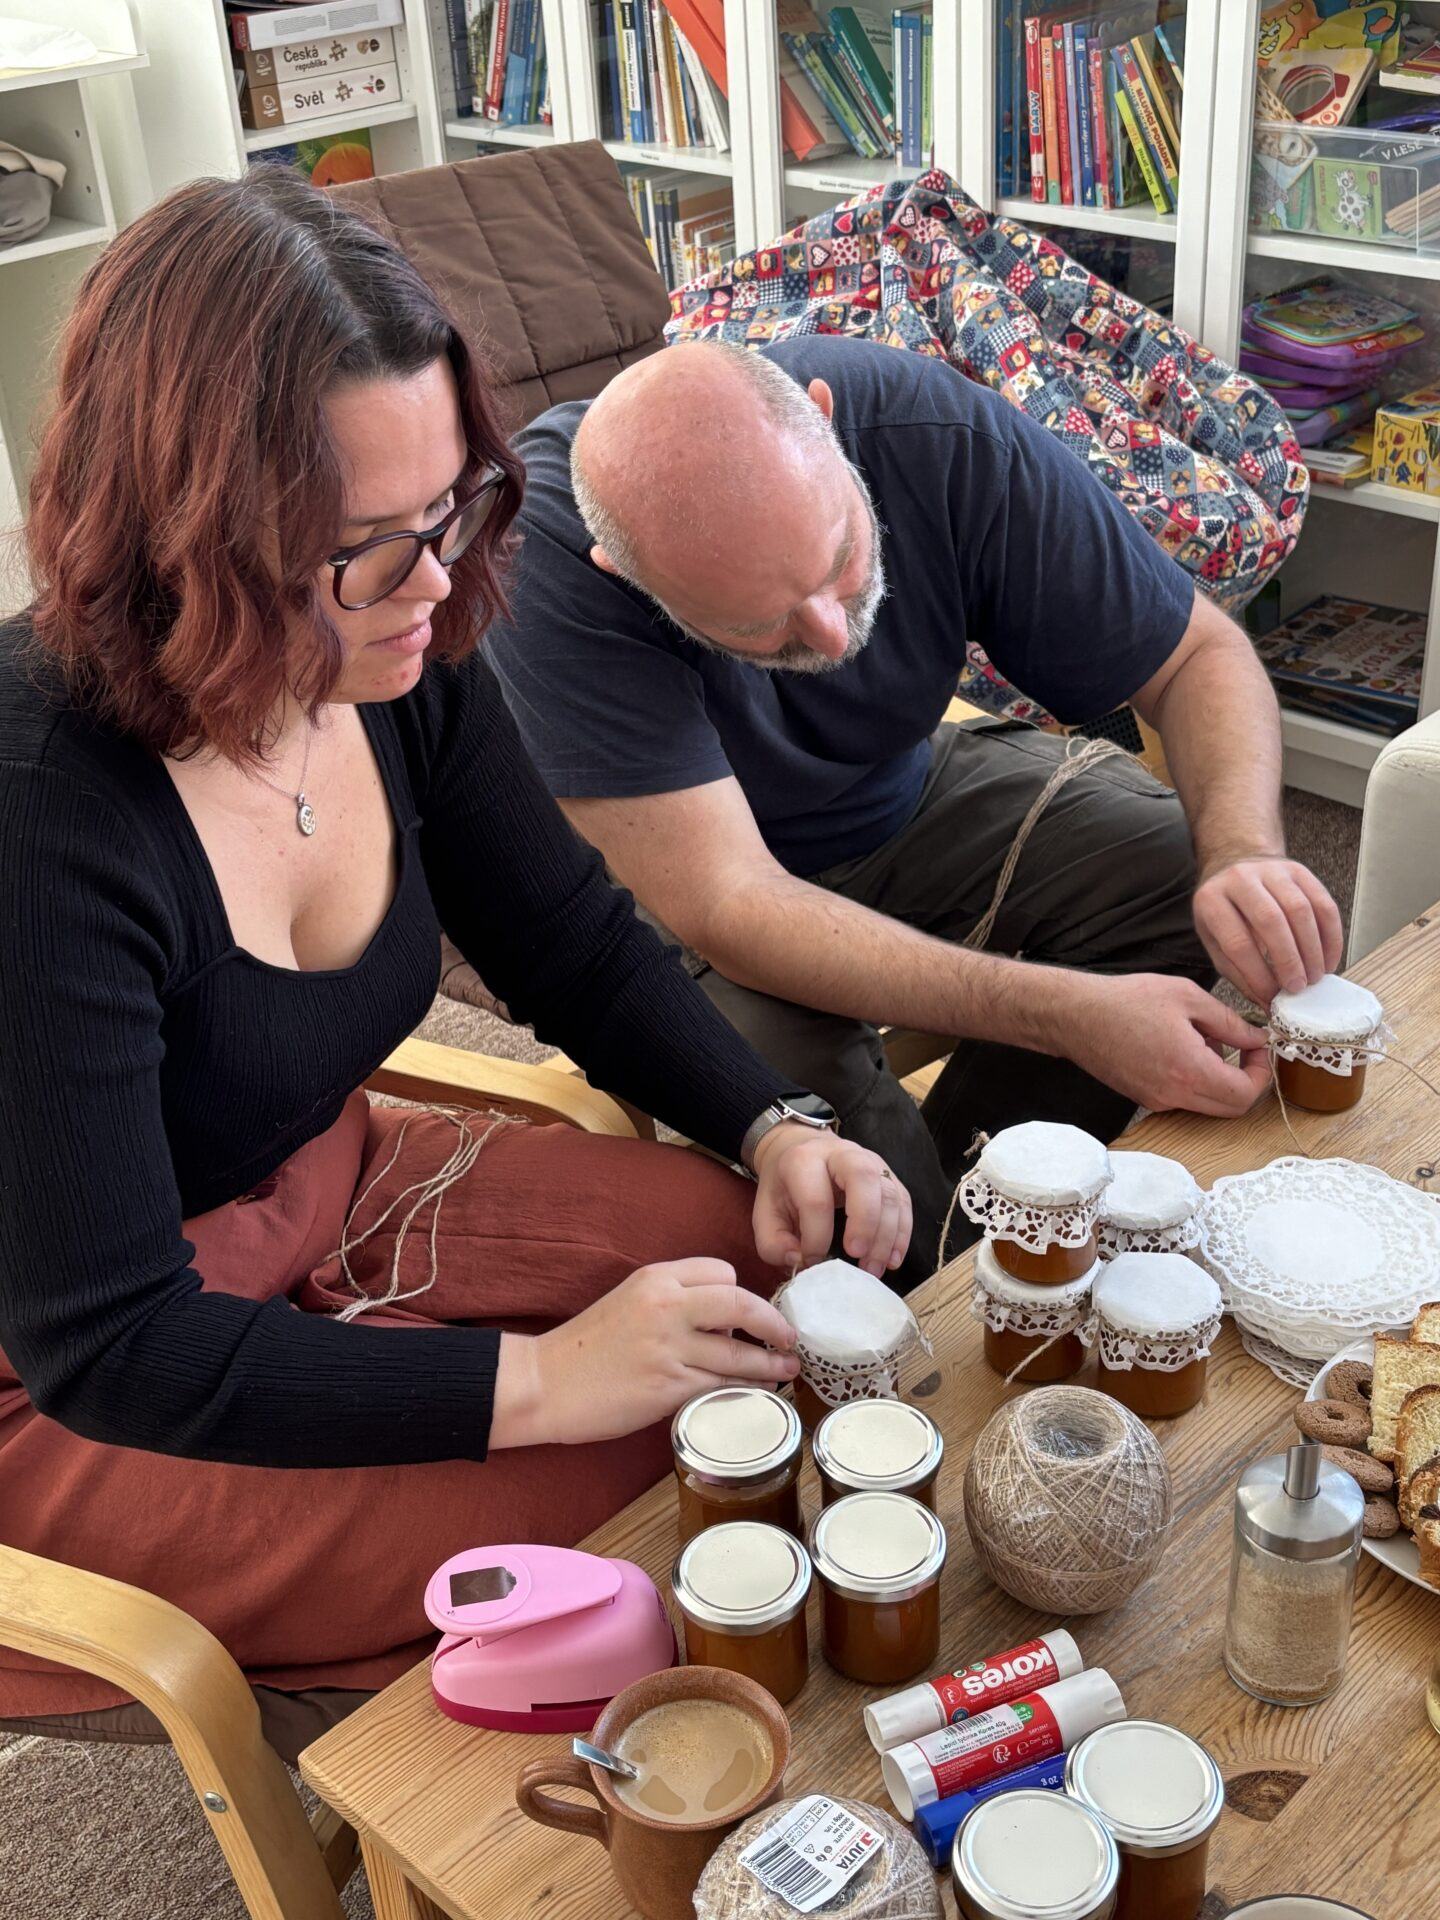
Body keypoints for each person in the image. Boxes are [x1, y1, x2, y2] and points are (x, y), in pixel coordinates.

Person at [0, 172, 910, 1753]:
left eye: (453, 509)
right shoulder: (38, 811)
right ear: (184, 545)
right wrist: (542, 1383)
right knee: (618, 1492)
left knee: (761, 1290)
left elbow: (570, 939)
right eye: (366, 548)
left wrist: (772, 1124)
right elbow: (116, 1343)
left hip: (327, 1181)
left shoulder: (391, 652)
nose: (434, 582)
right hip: (70, 1364)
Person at [483, 336, 1344, 1280]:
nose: (828, 635)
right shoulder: (538, 556)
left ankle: (990, 1210)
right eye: (755, 624)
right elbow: (732, 905)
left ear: (825, 421)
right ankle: (941, 1287)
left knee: (1179, 868)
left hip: (893, 790)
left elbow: (1196, 658)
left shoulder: (929, 431)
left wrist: (1243, 851)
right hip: (671, 884)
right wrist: (1067, 1015)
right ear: (623, 570)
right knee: (825, 1144)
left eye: (842, 559)